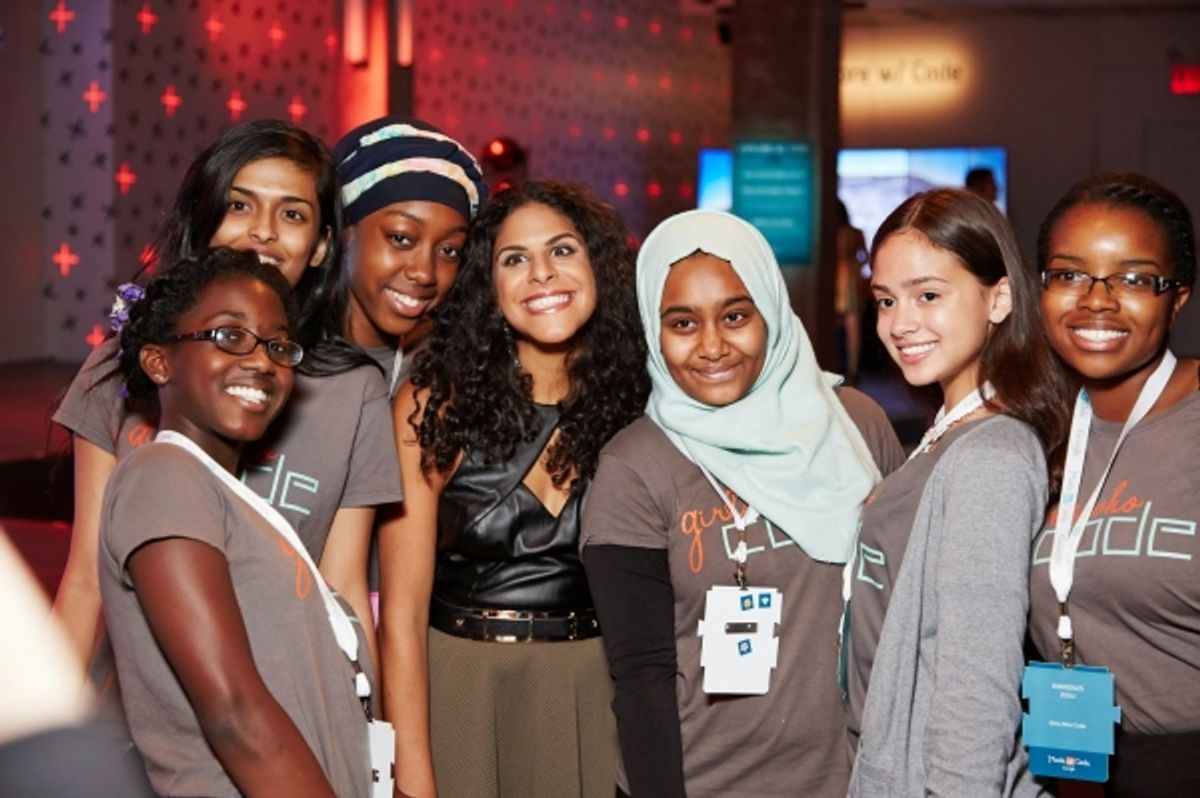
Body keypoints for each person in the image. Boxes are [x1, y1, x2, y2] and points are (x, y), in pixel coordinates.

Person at [53, 120, 401, 688]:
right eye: (240, 206)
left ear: (319, 249)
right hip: (137, 717)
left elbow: (343, 592)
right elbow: (88, 581)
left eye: (292, 214)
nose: (262, 232)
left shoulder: (351, 392)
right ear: (205, 219)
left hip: (284, 713)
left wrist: (370, 748)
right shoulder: (123, 364)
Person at [577, 209, 903, 798]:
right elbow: (642, 679)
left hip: (853, 778)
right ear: (652, 332)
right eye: (682, 323)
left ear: (771, 311)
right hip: (706, 785)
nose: (712, 347)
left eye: (734, 316)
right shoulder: (634, 468)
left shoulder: (856, 426)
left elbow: (907, 610)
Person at [379, 180, 649, 797]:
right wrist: (412, 775)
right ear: (488, 288)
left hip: (594, 690)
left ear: (597, 267)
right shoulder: (433, 403)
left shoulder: (643, 404)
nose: (541, 275)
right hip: (464, 686)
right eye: (514, 259)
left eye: (561, 251)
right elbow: (400, 614)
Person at [98, 248, 370, 796]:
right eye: (229, 336)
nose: (263, 361)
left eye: (277, 345)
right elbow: (232, 712)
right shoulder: (162, 475)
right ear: (159, 362)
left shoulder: (219, 490)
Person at [846, 188, 1071, 796]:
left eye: (928, 295)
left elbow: (976, 682)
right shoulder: (948, 433)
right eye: (886, 300)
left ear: (999, 298)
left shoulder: (990, 456)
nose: (900, 323)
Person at [1028, 173, 1199, 797]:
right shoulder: (1028, 429)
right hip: (1063, 769)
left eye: (1133, 278)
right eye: (1070, 274)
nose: (1096, 300)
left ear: (1177, 297)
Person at [331, 116, 488, 393]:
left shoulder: (453, 370)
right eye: (401, 238)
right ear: (345, 233)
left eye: (449, 250)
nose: (425, 272)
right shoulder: (279, 356)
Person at [836, 199, 868, 381]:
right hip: (849, 281)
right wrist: (854, 266)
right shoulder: (855, 233)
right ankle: (853, 369)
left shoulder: (829, 232)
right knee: (852, 328)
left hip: (834, 280)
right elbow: (865, 256)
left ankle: (832, 366)